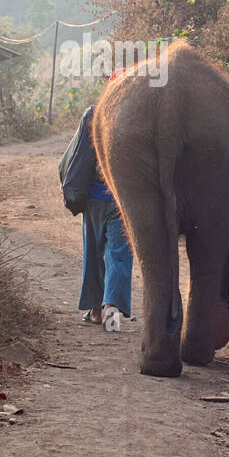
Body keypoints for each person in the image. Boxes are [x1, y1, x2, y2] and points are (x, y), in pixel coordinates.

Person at [60, 99, 133, 332]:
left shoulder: (93, 114)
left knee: (93, 253)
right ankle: (111, 307)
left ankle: (95, 310)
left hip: (93, 199)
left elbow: (72, 156)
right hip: (122, 201)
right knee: (119, 255)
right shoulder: (136, 118)